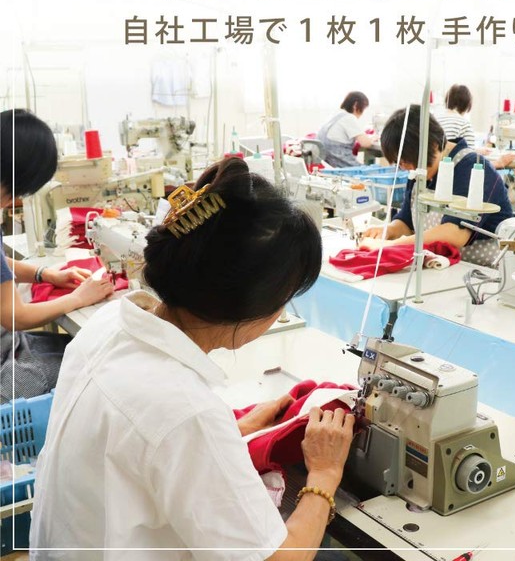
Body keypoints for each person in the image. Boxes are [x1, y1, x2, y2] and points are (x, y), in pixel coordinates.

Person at [30, 157, 355, 560]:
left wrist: (233, 431)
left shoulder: (109, 324)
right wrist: (325, 473)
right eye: (284, 300)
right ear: (250, 306)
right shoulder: (186, 412)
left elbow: (138, 449)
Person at [0, 109, 114, 403]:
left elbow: (0, 263)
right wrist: (79, 298)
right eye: (18, 190)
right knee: (99, 365)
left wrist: (44, 274)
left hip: (8, 346)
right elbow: (16, 317)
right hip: (4, 368)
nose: (16, 200)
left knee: (82, 346)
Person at [361, 106, 514, 266]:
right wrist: (388, 231)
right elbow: (407, 221)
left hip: (484, 270)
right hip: (445, 265)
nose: (406, 168)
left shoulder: (473, 169)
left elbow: (455, 234)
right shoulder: (420, 169)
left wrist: (392, 245)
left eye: (408, 161)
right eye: (400, 163)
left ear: (433, 145)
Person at [438, 84, 515, 169]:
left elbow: (449, 149)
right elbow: (470, 161)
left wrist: (475, 151)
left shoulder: (437, 119)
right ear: (467, 104)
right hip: (452, 171)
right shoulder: (464, 124)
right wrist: (498, 163)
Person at [317, 91, 375, 167]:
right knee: (366, 170)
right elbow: (366, 143)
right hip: (338, 157)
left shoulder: (337, 114)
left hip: (326, 161)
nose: (362, 113)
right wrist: (373, 139)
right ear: (355, 105)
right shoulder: (349, 117)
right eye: (363, 108)